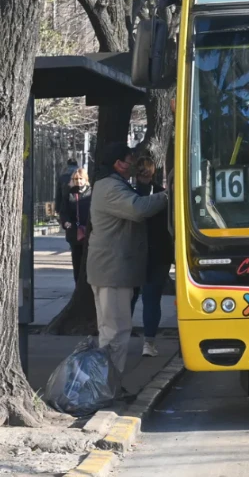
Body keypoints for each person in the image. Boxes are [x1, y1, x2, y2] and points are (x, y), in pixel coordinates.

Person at [87, 142, 168, 374]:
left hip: (111, 269)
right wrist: (168, 195)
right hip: (112, 270)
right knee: (116, 330)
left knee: (111, 329)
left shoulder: (111, 184)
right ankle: (108, 383)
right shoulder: (111, 187)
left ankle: (106, 382)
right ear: (119, 163)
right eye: (130, 160)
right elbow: (137, 209)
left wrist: (146, 187)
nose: (134, 164)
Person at [131, 156, 173, 357]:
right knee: (148, 298)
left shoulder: (128, 192)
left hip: (151, 253)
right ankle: (148, 341)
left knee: (142, 298)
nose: (145, 175)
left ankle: (146, 340)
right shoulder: (162, 195)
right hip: (154, 252)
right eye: (143, 171)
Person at [59, 168, 91, 284]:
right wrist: (66, 222)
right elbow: (64, 211)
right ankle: (78, 283)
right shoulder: (69, 193)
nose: (78, 181)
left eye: (80, 179)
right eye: (75, 179)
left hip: (89, 231)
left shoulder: (91, 193)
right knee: (77, 260)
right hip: (75, 232)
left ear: (86, 179)